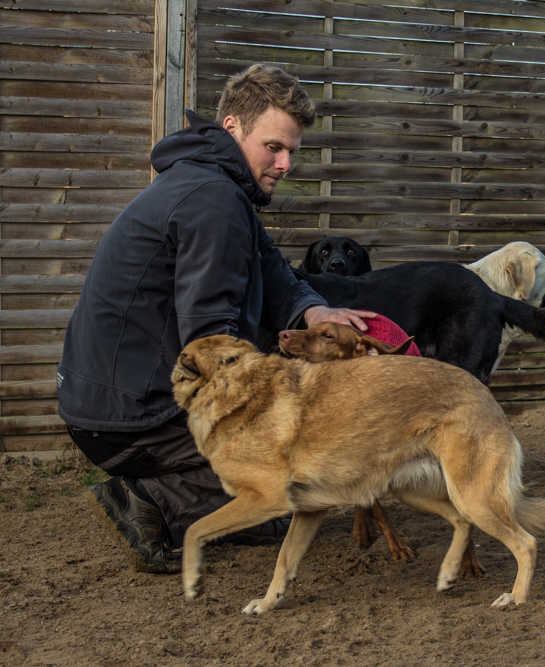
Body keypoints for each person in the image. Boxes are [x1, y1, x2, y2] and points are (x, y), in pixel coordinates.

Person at [57, 64, 374, 574]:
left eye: (292, 150)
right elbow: (211, 342)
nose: (286, 163)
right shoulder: (213, 201)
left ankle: (223, 504)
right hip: (132, 420)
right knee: (301, 455)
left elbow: (270, 267)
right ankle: (155, 500)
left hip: (107, 402)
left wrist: (315, 310)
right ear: (232, 127)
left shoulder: (213, 186)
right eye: (273, 147)